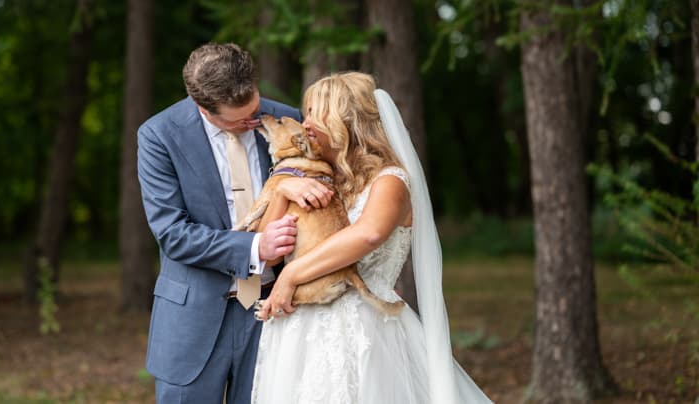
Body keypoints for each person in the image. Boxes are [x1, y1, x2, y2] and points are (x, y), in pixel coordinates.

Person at [251, 72, 493, 403]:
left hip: (361, 328)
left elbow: (367, 235)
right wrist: (282, 193)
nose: (305, 123)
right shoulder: (319, 179)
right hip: (300, 329)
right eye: (305, 112)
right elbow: (270, 252)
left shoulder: (390, 180)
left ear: (347, 119)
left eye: (317, 112)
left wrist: (291, 275)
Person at [137, 42, 333, 404]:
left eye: (255, 108)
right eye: (239, 119)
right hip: (192, 321)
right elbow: (173, 234)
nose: (253, 121)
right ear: (203, 108)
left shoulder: (286, 121)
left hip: (276, 311)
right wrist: (256, 247)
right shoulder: (159, 136)